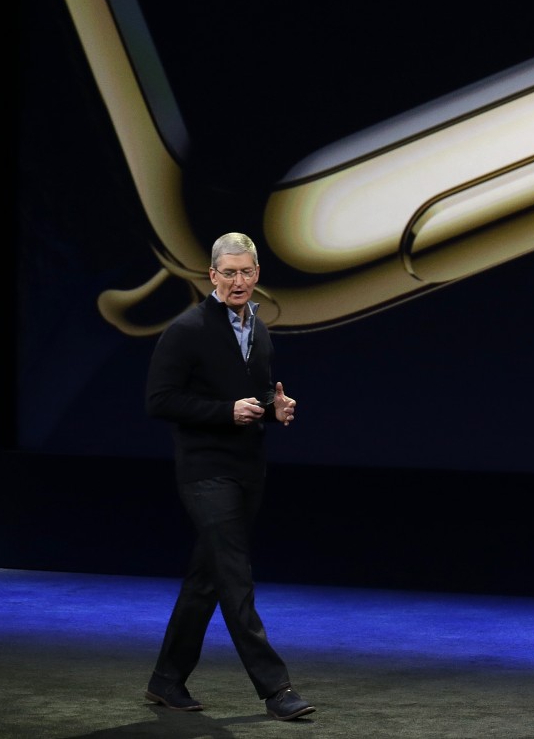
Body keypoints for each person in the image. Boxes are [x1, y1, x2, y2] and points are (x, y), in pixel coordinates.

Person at [142, 231, 314, 720]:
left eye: (247, 272)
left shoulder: (259, 329)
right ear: (212, 275)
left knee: (207, 580)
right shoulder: (187, 329)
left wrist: (273, 408)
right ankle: (276, 689)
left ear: (257, 274)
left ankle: (166, 679)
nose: (238, 281)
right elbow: (159, 400)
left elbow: (256, 395)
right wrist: (224, 411)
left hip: (247, 470)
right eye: (229, 273)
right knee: (235, 579)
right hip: (204, 473)